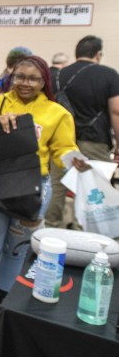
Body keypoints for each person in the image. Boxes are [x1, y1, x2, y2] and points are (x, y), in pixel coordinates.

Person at [0, 55, 88, 341]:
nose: (26, 83)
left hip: (35, 188)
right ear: (11, 76)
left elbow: (64, 150)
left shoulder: (57, 113)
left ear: (44, 81)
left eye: (33, 78)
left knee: (17, 249)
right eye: (20, 76)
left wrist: (77, 160)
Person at [45, 35, 119, 229]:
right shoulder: (109, 75)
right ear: (99, 54)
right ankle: (82, 233)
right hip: (95, 141)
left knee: (57, 187)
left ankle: (49, 228)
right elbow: (116, 111)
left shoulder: (58, 75)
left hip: (61, 142)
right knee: (90, 189)